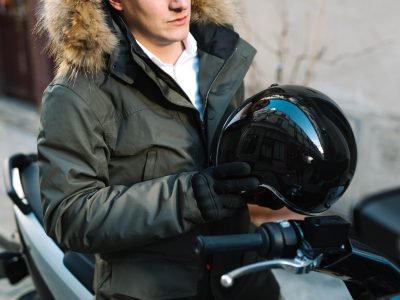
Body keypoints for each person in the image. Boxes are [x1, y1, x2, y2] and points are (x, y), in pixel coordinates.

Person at [37, 0, 281, 299]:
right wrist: (189, 198)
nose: (179, 4)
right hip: (152, 290)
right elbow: (68, 214)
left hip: (245, 277)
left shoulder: (219, 56)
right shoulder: (77, 93)